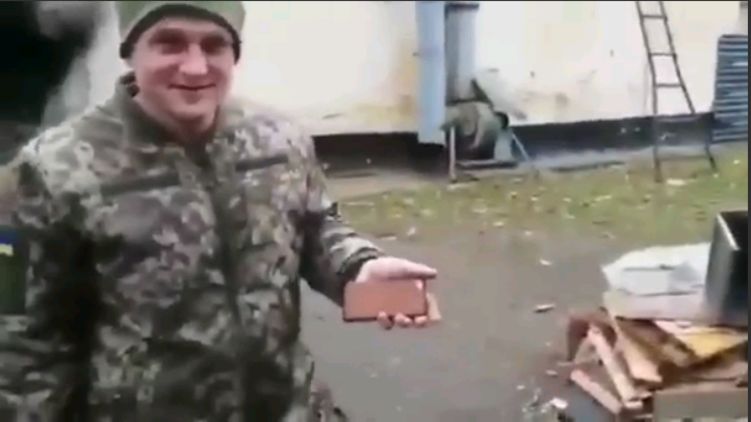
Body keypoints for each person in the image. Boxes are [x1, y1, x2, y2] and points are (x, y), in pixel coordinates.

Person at [0, 1, 439, 420]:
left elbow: (315, 226)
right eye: (170, 43)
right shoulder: (45, 173)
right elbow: (17, 336)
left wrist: (358, 266)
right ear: (131, 51)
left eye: (214, 45)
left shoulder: (277, 141)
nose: (195, 67)